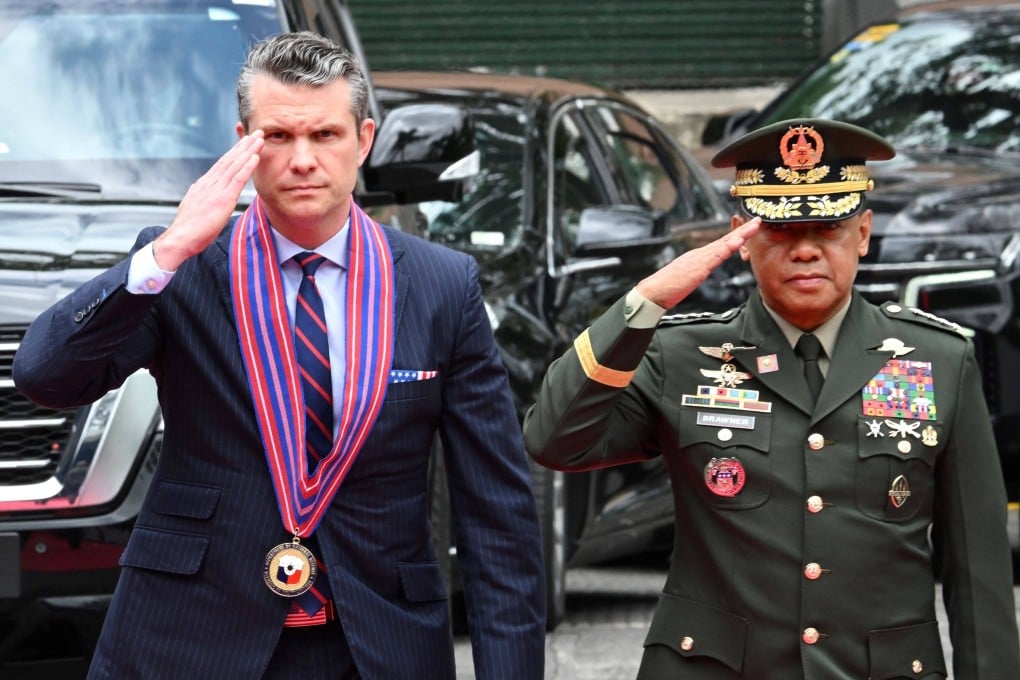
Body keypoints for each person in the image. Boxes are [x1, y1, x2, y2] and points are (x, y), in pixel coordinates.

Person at [13, 32, 545, 679]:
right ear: (243, 139)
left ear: (365, 139)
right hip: (188, 640)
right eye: (278, 136)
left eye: (324, 135)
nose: (302, 160)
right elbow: (45, 375)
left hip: (377, 644)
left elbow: (498, 519)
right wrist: (167, 251)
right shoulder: (187, 269)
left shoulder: (441, 286)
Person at [523, 118, 1020, 678]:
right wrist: (643, 304)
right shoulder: (681, 355)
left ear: (863, 233)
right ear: (742, 235)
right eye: (781, 231)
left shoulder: (937, 360)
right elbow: (554, 440)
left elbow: (978, 573)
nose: (805, 251)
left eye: (828, 228)